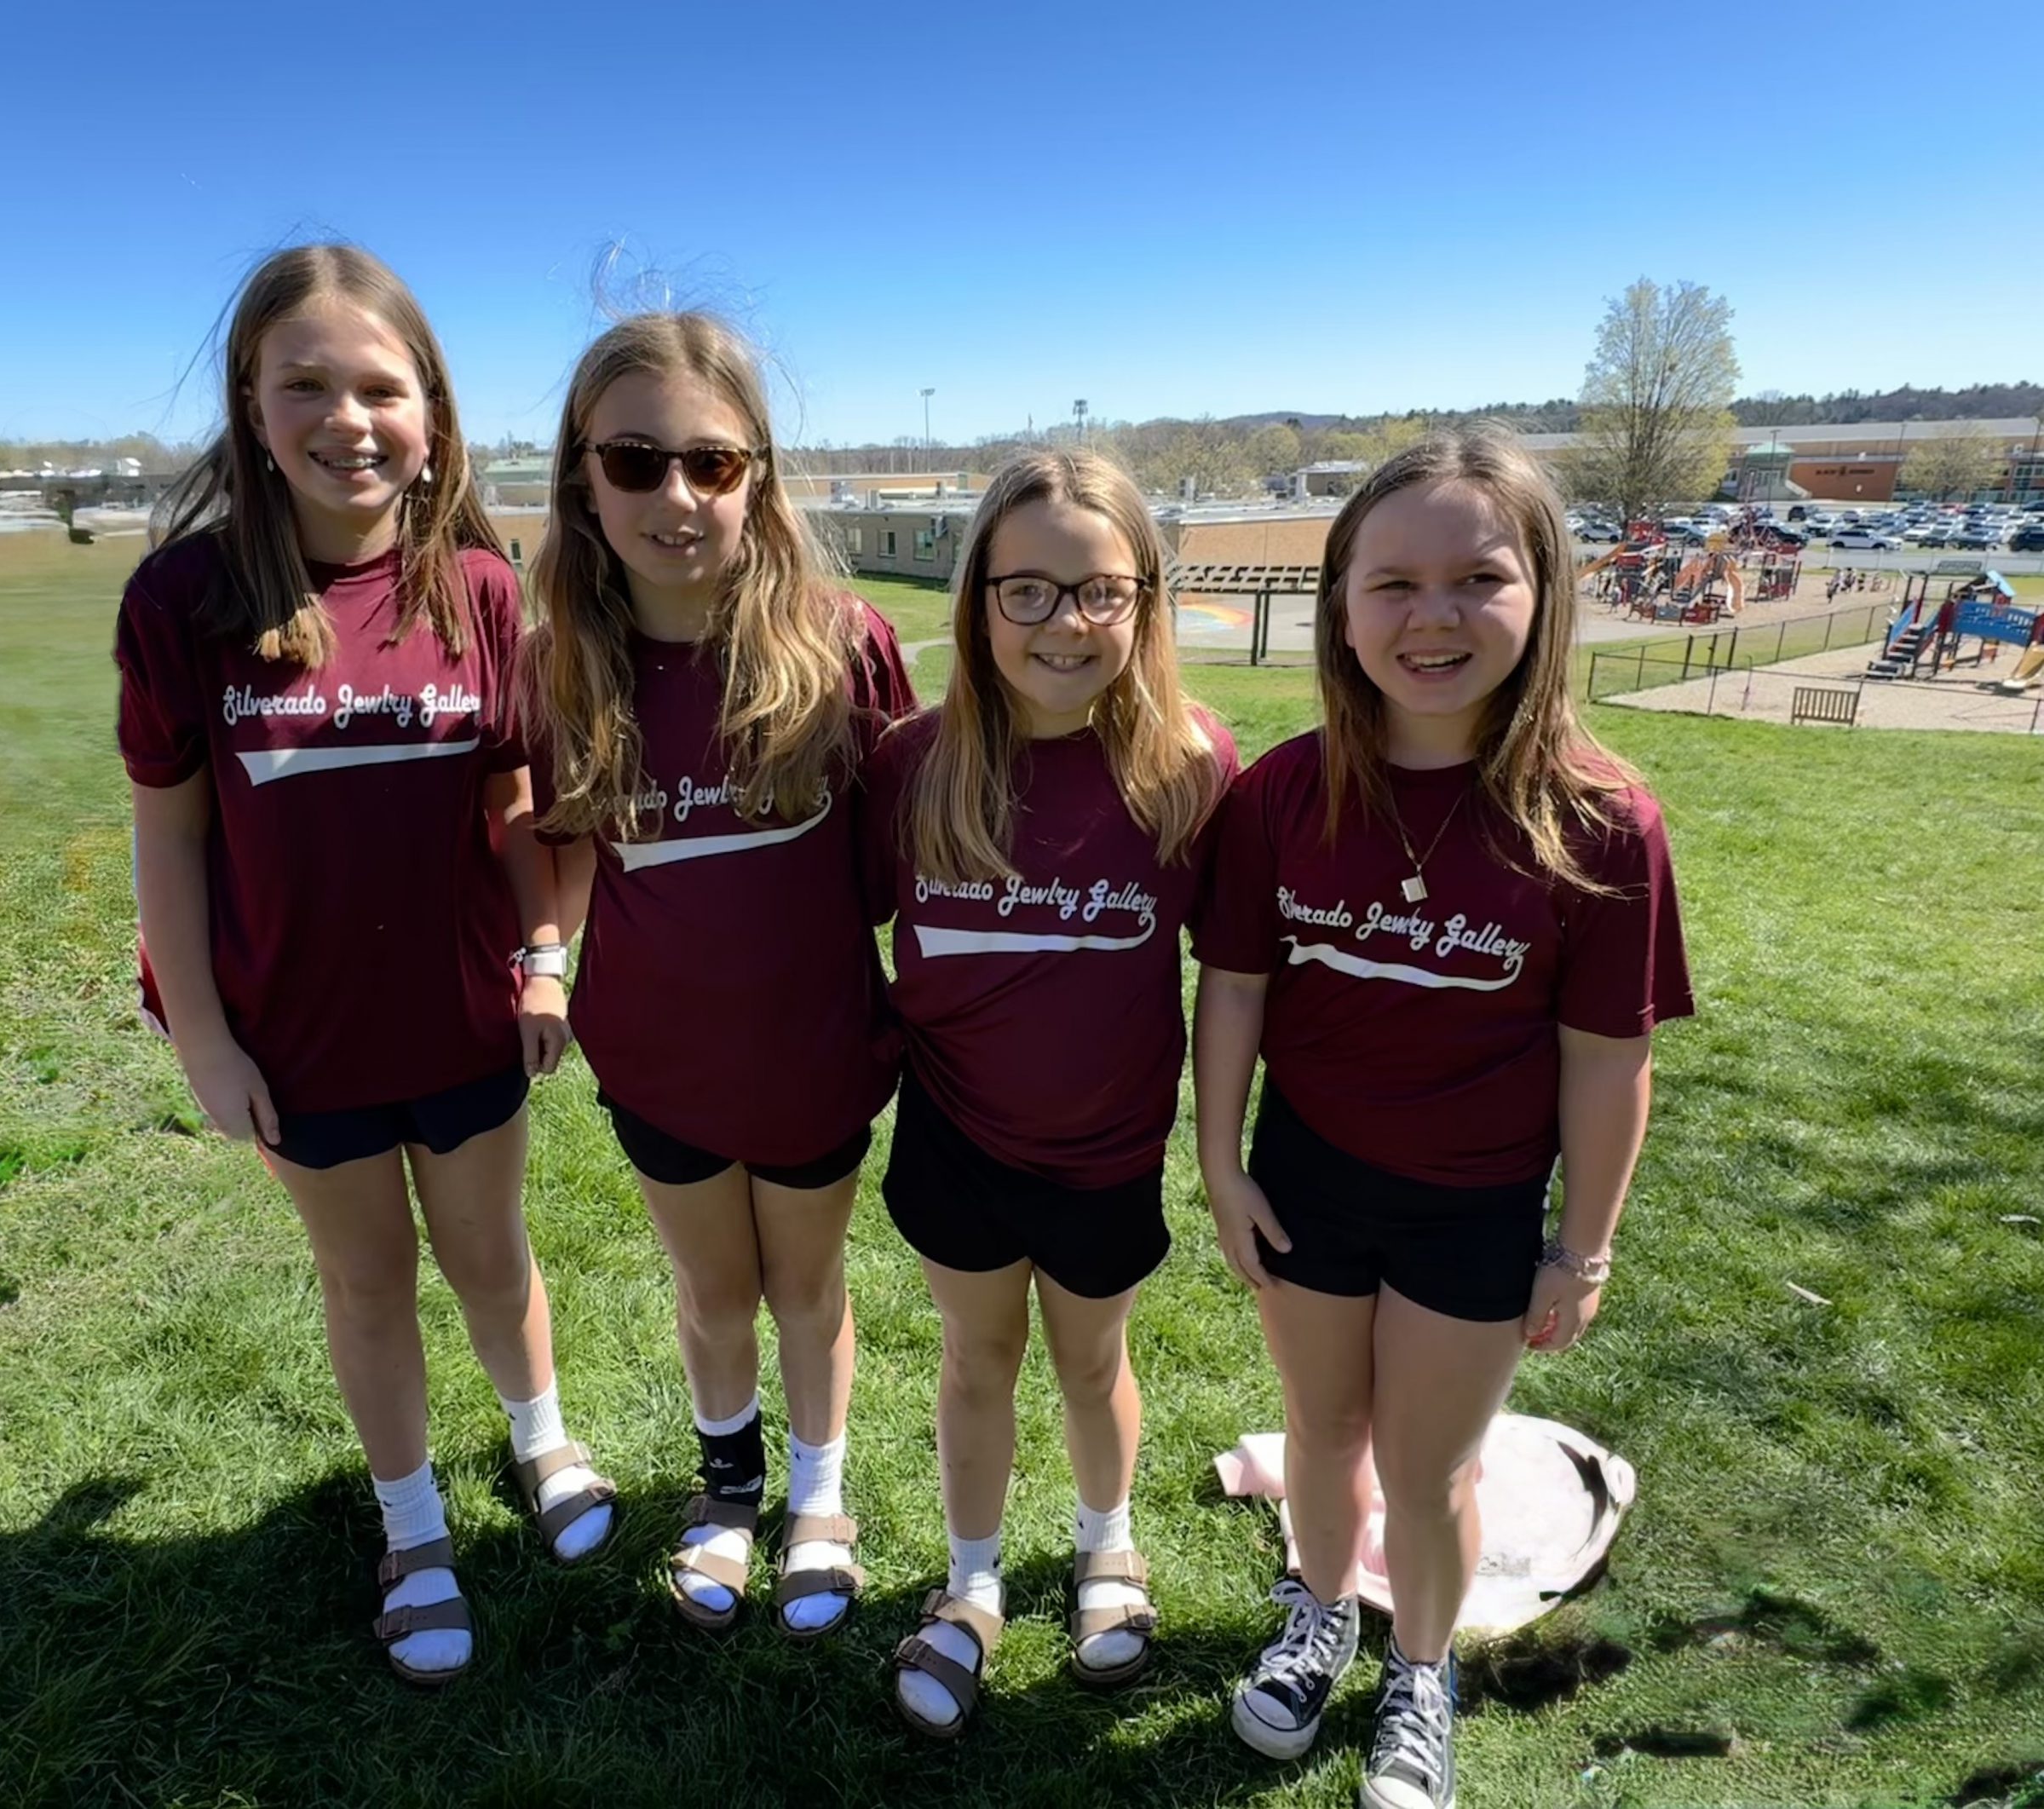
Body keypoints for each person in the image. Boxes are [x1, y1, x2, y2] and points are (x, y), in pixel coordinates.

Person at [116, 244, 611, 1689]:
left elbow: (516, 806)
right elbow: (171, 838)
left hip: (463, 1019)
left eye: (380, 387)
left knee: (490, 1256)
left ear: (433, 413)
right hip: (296, 1035)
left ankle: (543, 1442)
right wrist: (203, 1036)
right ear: (253, 408)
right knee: (369, 1281)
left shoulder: (478, 590)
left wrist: (542, 960)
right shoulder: (181, 601)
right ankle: (412, 1531)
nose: (349, 418)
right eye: (306, 386)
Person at [1193, 427, 1692, 1807]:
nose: (1434, 618)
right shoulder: (1280, 795)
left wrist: (1581, 1249)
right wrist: (1220, 1165)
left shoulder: (1599, 821)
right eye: (1393, 585)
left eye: (1478, 578)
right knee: (1321, 1428)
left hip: (1475, 1207)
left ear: (1541, 596)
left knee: (1431, 1467)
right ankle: (1317, 1614)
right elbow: (1232, 991)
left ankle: (1420, 1669)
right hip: (1308, 1180)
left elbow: (1607, 1060)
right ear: (1341, 607)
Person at [522, 313, 913, 1640]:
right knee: (713, 1295)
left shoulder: (840, 645)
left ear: (760, 472)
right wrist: (546, 964)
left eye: (711, 462)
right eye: (634, 462)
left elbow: (896, 861)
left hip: (813, 1051)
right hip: (659, 1060)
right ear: (582, 473)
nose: (674, 497)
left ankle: (820, 1498)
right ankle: (730, 1492)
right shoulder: (562, 660)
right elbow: (559, 842)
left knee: (807, 1289)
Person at [863, 450, 1235, 1737]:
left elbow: (1239, 975)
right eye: (1025, 591)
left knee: (1091, 1361)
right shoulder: (914, 764)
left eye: (1097, 591)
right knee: (978, 1359)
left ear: (1144, 602)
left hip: (1109, 1149)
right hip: (958, 1138)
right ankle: (970, 1587)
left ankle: (1105, 1549)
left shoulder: (1189, 768)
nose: (1063, 624)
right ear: (977, 600)